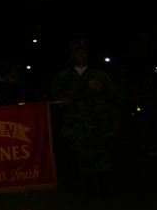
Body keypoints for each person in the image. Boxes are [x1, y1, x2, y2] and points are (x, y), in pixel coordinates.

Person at [50, 40, 119, 196]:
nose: (81, 55)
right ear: (72, 56)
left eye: (83, 52)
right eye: (77, 53)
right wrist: (62, 101)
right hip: (76, 125)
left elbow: (112, 97)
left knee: (102, 155)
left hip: (99, 123)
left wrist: (115, 118)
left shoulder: (99, 74)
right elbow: (54, 97)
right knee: (82, 156)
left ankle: (105, 186)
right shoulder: (64, 75)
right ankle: (91, 187)